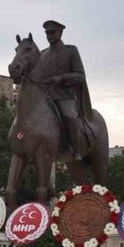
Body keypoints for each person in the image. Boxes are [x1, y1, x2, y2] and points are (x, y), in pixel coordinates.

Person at [41, 20, 92, 161]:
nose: (49, 36)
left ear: (60, 33)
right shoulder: (42, 54)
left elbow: (80, 76)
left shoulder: (71, 51)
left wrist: (62, 78)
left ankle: (75, 150)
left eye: (52, 32)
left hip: (64, 96)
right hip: (45, 97)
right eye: (47, 33)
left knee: (69, 116)